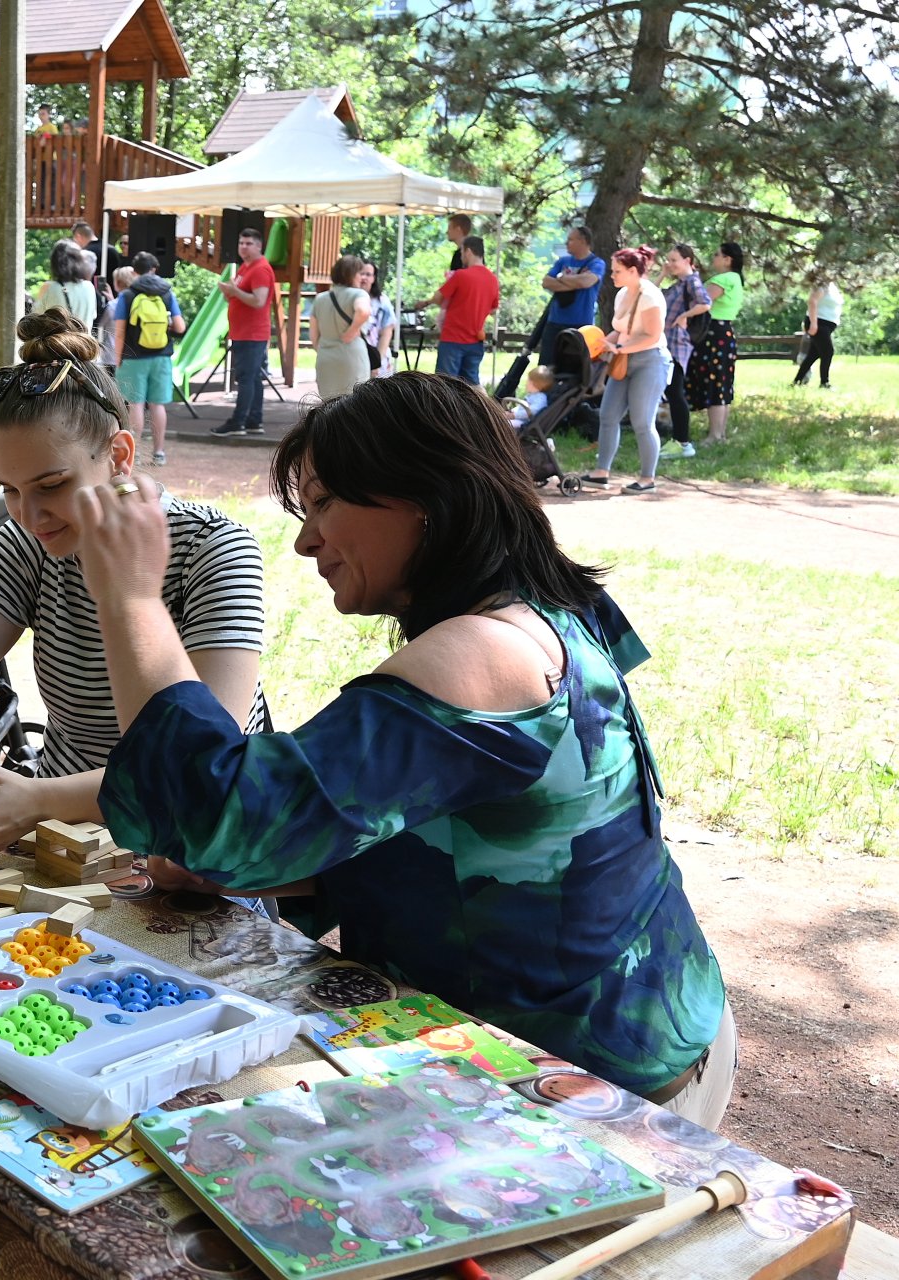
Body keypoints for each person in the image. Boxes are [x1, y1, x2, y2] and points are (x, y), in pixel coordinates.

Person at [72, 372, 733, 1126]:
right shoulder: (552, 608)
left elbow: (223, 825)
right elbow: (459, 829)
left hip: (597, 1088)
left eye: (324, 502)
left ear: (426, 497)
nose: (305, 538)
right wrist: (292, 867)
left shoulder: (482, 654)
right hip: (644, 1027)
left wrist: (129, 598)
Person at [0, 309, 268, 868]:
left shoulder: (214, 549)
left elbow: (204, 768)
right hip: (61, 836)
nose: (31, 515)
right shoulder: (29, 543)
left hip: (187, 855)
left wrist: (39, 798)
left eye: (52, 485)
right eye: (8, 489)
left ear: (119, 455)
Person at [582, 246, 667, 494]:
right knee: (607, 416)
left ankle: (647, 479)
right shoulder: (622, 294)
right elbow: (620, 329)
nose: (612, 275)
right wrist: (599, 344)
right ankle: (601, 473)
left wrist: (618, 347)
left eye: (617, 271)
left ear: (633, 271)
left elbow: (652, 336)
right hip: (624, 360)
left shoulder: (650, 296)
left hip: (650, 361)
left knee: (642, 421)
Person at [111, 251, 185, 467]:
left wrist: (117, 359)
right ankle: (159, 452)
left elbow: (120, 331)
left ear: (134, 271)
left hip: (133, 357)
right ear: (155, 269)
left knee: (135, 404)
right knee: (157, 405)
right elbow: (180, 327)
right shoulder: (167, 294)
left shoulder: (127, 295)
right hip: (161, 357)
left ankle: (137, 453)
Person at [213, 226, 276, 437]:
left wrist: (234, 291)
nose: (243, 247)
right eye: (241, 243)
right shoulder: (245, 267)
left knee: (246, 378)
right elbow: (235, 297)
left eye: (249, 243)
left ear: (259, 246)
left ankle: (238, 422)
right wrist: (229, 292)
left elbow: (258, 301)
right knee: (253, 378)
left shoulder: (260, 269)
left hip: (252, 334)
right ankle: (253, 421)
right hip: (242, 332)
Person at [686, 242, 744, 444]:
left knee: (714, 384)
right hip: (724, 333)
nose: (714, 258)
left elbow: (701, 301)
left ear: (728, 260)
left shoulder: (723, 279)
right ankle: (720, 434)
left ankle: (714, 435)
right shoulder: (735, 278)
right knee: (723, 384)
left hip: (713, 334)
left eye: (717, 255)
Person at [659, 244, 712, 458]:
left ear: (688, 261)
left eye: (674, 260)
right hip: (667, 343)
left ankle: (682, 442)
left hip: (677, 345)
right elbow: (651, 295)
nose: (670, 264)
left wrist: (684, 316)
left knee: (675, 391)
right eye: (668, 260)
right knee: (672, 391)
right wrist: (662, 274)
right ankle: (678, 440)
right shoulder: (678, 284)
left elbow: (705, 303)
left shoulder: (691, 282)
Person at [425, 236, 499, 385]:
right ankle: (486, 406)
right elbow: (493, 309)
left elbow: (438, 297)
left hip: (453, 338)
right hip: (475, 340)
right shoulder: (492, 279)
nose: (461, 256)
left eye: (462, 253)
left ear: (468, 252)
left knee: (444, 384)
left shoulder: (460, 275)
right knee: (472, 384)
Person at [309, 255, 371, 401]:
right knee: (355, 404)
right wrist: (352, 330)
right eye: (359, 273)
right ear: (352, 274)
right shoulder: (359, 294)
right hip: (352, 356)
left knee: (327, 406)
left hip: (325, 358)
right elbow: (363, 311)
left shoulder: (320, 298)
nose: (361, 278)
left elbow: (313, 336)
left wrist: (323, 348)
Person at [540, 227, 605, 363]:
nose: (566, 243)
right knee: (547, 366)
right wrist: (576, 282)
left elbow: (587, 282)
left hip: (580, 325)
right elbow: (546, 282)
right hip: (555, 323)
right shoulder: (562, 262)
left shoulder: (596, 263)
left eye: (570, 239)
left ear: (582, 241)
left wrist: (561, 278)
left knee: (575, 368)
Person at [34, 238, 98, 334]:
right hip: (84, 345)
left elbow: (36, 318)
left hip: (58, 345)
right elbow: (93, 316)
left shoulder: (49, 287)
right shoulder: (89, 287)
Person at [794, 281, 842, 389]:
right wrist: (814, 324)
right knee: (828, 352)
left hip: (826, 325)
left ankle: (797, 381)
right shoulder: (821, 285)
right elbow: (812, 301)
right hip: (818, 323)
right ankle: (824, 383)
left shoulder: (832, 286)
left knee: (813, 354)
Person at [359, 259, 396, 379]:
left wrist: (376, 362)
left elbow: (386, 333)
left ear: (374, 278)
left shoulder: (382, 302)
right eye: (361, 273)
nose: (364, 277)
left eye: (368, 274)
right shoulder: (348, 299)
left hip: (378, 355)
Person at [99, 264, 136, 367]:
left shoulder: (112, 306)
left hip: (111, 357)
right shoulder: (139, 303)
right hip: (132, 356)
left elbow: (100, 323)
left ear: (118, 283)